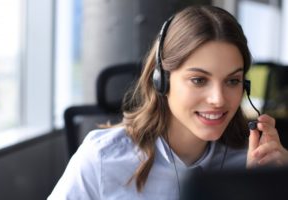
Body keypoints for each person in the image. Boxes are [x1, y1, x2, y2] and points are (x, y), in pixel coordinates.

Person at [48, 5, 288, 200]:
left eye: (232, 81)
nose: (218, 99)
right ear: (162, 80)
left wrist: (273, 184)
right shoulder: (103, 159)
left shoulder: (254, 160)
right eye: (198, 80)